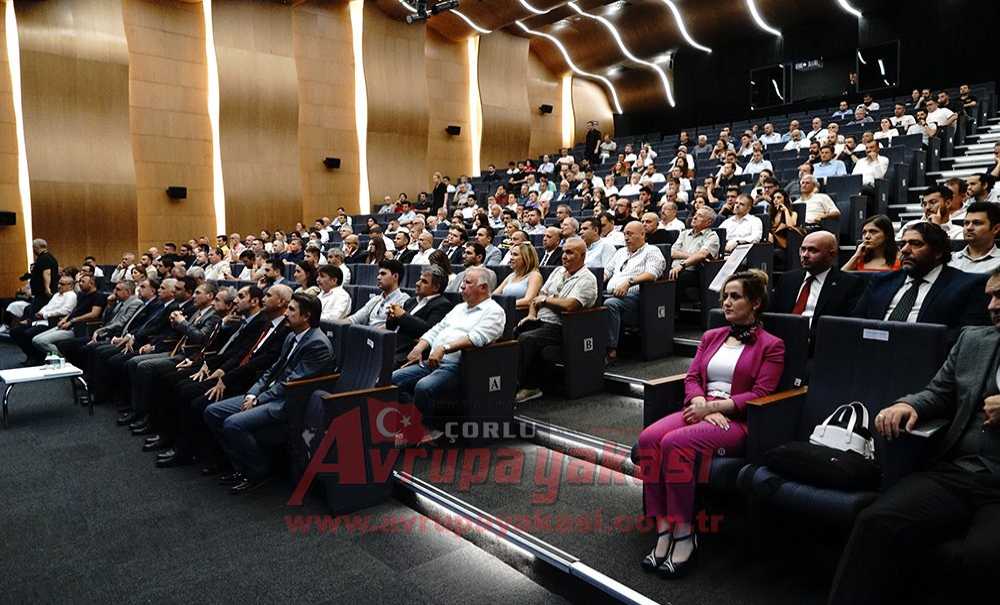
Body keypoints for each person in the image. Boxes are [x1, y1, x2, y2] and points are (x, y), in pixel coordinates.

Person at [828, 267, 1000, 605]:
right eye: (991, 297)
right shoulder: (974, 340)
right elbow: (939, 391)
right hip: (959, 471)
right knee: (876, 522)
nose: (993, 306)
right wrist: (909, 406)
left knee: (980, 558)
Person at [637, 270, 784, 577]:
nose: (726, 303)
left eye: (735, 296)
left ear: (755, 302)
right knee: (650, 439)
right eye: (724, 297)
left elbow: (761, 393)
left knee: (674, 443)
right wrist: (701, 403)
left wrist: (717, 407)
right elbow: (692, 378)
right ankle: (663, 527)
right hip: (701, 408)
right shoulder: (711, 336)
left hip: (737, 421)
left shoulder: (772, 345)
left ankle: (685, 532)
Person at [203, 292, 333, 494]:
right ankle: (240, 466)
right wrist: (252, 394)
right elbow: (272, 370)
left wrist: (258, 399)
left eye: (291, 309)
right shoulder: (292, 336)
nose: (286, 313)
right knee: (212, 411)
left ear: (306, 316)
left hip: (289, 402)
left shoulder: (318, 344)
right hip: (268, 394)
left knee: (232, 423)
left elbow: (292, 382)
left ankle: (258, 471)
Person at [392, 266, 506, 445]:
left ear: (483, 288)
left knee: (423, 386)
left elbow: (476, 338)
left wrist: (444, 348)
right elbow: (437, 328)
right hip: (433, 361)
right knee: (395, 379)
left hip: (459, 365)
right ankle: (420, 424)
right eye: (463, 282)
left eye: (468, 283)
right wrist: (419, 347)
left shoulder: (494, 312)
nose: (461, 286)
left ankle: (424, 428)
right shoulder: (460, 308)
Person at [852, 222, 989, 330]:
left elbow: (965, 336)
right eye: (902, 244)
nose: (905, 250)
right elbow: (855, 323)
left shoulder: (968, 285)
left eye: (916, 244)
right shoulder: (881, 281)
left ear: (938, 252)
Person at [514, 238, 599, 403]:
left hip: (564, 326)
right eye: (563, 252)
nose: (564, 256)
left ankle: (526, 386)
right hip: (541, 320)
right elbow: (538, 296)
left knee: (527, 339)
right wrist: (531, 314)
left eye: (569, 252)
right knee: (513, 332)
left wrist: (547, 300)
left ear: (582, 255)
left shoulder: (587, 279)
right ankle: (515, 381)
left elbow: (570, 305)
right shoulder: (558, 271)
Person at [774, 231, 864, 338]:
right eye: (803, 249)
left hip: (822, 343)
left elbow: (848, 326)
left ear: (832, 254)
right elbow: (773, 315)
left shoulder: (849, 284)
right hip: (783, 341)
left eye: (813, 250)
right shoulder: (788, 279)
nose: (805, 255)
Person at [603, 221, 666, 363]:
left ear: (642, 234)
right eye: (625, 234)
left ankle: (610, 350)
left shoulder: (652, 251)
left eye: (630, 234)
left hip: (637, 297)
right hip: (611, 293)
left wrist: (629, 282)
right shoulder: (620, 252)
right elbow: (607, 272)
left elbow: (652, 274)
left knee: (610, 304)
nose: (626, 238)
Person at [385, 265, 451, 368]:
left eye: (424, 282)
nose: (417, 284)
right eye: (419, 280)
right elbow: (391, 327)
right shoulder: (411, 301)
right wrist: (392, 316)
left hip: (409, 354)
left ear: (436, 287)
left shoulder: (442, 305)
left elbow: (428, 330)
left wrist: (402, 315)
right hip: (392, 348)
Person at [343, 259, 409, 329]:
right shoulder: (375, 299)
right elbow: (354, 319)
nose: (378, 277)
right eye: (378, 274)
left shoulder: (404, 300)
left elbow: (393, 328)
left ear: (395, 276)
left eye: (383, 274)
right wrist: (333, 324)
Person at [950, 202, 1000, 274]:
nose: (969, 228)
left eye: (977, 223)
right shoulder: (950, 259)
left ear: (996, 228)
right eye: (966, 223)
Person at [495, 243, 544, 309]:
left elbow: (529, 300)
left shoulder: (534, 276)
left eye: (515, 255)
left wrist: (505, 304)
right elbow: (494, 295)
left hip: (518, 314)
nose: (511, 258)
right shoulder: (512, 275)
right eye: (511, 254)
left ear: (526, 258)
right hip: (504, 310)